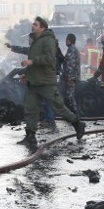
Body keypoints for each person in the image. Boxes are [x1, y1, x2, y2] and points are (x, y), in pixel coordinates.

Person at [18, 16, 85, 148]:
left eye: (36, 25)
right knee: (30, 109)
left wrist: (32, 61)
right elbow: (32, 62)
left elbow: (49, 58)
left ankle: (77, 124)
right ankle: (30, 136)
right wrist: (26, 75)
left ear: (42, 27)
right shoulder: (36, 42)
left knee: (58, 106)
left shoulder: (48, 40)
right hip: (34, 82)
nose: (33, 26)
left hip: (45, 82)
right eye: (33, 24)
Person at [61, 33, 81, 114]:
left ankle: (76, 115)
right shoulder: (73, 49)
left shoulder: (71, 49)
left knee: (70, 97)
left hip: (71, 78)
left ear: (68, 40)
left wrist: (68, 76)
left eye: (66, 39)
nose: (65, 41)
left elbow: (71, 64)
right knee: (69, 96)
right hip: (74, 77)